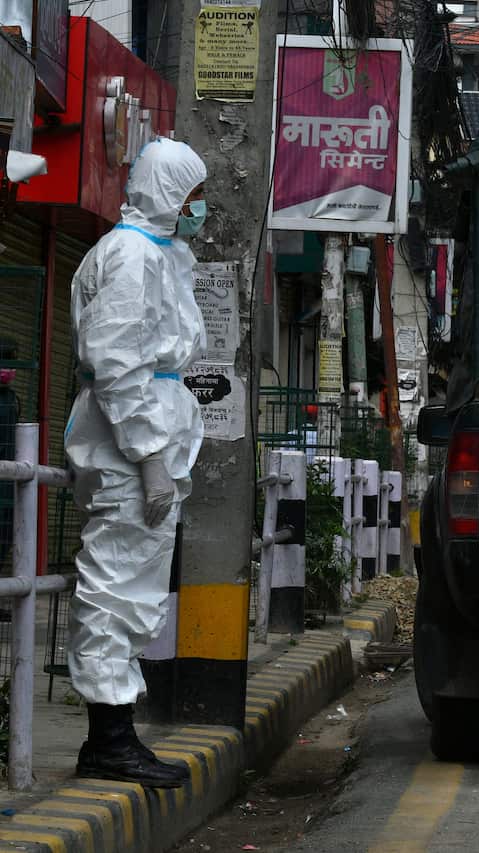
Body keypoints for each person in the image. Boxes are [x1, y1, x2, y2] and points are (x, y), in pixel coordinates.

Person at [65, 138, 208, 787]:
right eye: (192, 195)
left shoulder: (157, 255)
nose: (198, 207)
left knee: (132, 587)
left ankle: (116, 733)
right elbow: (118, 362)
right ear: (169, 192)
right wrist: (150, 455)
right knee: (115, 586)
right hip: (130, 449)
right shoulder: (129, 257)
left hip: (144, 444)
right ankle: (108, 739)